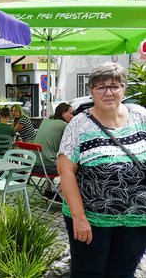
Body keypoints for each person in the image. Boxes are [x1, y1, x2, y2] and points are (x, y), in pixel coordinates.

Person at [57, 62, 146, 277]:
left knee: (123, 272)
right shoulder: (79, 125)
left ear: (123, 89)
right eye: (101, 87)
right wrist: (79, 218)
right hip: (91, 219)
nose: (109, 92)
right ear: (91, 91)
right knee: (88, 272)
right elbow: (65, 171)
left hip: (137, 218)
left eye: (115, 86)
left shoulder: (141, 116)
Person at [32, 102, 73, 201]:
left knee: (53, 159)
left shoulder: (46, 121)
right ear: (63, 113)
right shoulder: (64, 125)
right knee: (73, 169)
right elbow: (70, 146)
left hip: (33, 165)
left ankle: (48, 190)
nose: (72, 116)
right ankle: (57, 193)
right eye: (71, 113)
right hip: (46, 166)